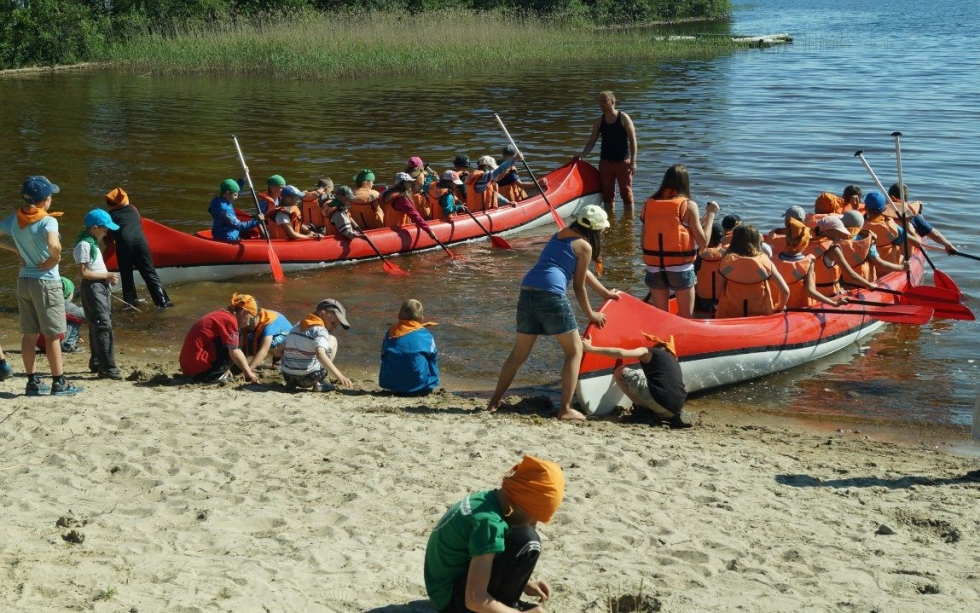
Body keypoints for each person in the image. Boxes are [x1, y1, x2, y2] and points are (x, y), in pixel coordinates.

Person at [486, 205, 620, 422]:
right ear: (595, 230)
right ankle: (565, 409)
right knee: (575, 350)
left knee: (518, 354)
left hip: (527, 290)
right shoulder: (585, 246)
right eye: (602, 230)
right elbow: (578, 286)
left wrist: (604, 292)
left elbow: (581, 270)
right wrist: (591, 314)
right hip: (550, 294)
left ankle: (494, 402)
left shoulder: (559, 234)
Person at [424, 455, 564, 613]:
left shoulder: (487, 500)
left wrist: (524, 583)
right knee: (528, 541)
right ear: (522, 503)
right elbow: (475, 599)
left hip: (442, 588)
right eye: (534, 518)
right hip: (450, 601)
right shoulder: (489, 524)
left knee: (522, 537)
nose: (534, 525)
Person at [0, 176, 83, 396]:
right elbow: (54, 244)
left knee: (29, 334)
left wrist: (16, 250)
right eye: (50, 197)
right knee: (53, 335)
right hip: (45, 281)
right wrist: (55, 258)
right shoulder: (48, 221)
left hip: (23, 281)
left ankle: (33, 382)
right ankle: (59, 382)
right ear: (45, 200)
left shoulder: (15, 219)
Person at [641, 164, 719, 318]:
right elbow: (703, 242)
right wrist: (710, 215)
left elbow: (642, 242)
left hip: (654, 268)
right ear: (685, 183)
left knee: (662, 318)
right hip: (680, 269)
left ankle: (662, 341)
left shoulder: (648, 203)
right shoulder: (688, 205)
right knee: (686, 318)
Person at [582, 334, 696, 428]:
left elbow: (622, 353)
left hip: (660, 401)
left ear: (658, 347)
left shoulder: (649, 351)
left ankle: (642, 411)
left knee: (619, 371)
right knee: (656, 388)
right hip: (676, 407)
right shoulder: (673, 361)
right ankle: (672, 418)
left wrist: (590, 348)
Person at [103, 187, 173, 308]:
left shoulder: (110, 216)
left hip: (124, 244)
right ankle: (164, 303)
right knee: (150, 275)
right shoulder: (133, 209)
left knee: (126, 276)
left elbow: (108, 238)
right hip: (141, 243)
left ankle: (130, 304)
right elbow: (138, 225)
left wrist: (111, 246)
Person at [73, 209, 123, 380]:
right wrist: (106, 275)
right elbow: (84, 273)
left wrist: (107, 278)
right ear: (94, 228)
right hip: (93, 289)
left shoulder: (91, 244)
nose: (106, 232)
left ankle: (96, 361)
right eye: (104, 228)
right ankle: (107, 367)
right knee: (102, 325)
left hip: (99, 288)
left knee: (99, 323)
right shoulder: (84, 245)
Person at [179, 293, 260, 383]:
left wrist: (226, 367)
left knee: (233, 339)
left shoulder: (223, 315)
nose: (248, 324)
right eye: (250, 319)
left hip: (189, 365)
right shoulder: (230, 320)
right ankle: (214, 375)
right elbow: (234, 351)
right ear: (244, 312)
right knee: (232, 344)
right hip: (196, 366)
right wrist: (248, 373)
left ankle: (218, 372)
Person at [715, 225, 790, 319]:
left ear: (733, 241)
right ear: (757, 241)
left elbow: (718, 293)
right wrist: (779, 308)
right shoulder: (765, 262)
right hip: (761, 314)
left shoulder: (727, 261)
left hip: (730, 313)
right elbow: (785, 291)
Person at [581, 91, 638, 210]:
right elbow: (592, 141)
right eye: (600, 101)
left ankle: (629, 224)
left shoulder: (623, 117)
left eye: (604, 101)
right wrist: (582, 155)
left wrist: (633, 161)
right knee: (607, 195)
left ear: (612, 102)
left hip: (623, 162)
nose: (601, 104)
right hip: (605, 163)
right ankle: (609, 221)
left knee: (626, 194)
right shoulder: (598, 121)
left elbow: (633, 141)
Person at [280, 298, 353, 391]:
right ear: (322, 314)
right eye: (333, 323)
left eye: (336, 325)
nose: (334, 327)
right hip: (309, 379)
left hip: (288, 377)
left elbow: (279, 350)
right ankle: (319, 382)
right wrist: (340, 376)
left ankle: (291, 384)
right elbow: (320, 354)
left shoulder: (297, 326)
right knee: (333, 340)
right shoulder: (321, 330)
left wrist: (294, 361)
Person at [379, 299, 439, 396]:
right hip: (420, 386)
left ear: (399, 316)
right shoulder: (427, 335)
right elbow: (433, 358)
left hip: (390, 384)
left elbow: (383, 354)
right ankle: (428, 383)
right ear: (422, 319)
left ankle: (396, 380)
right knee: (431, 356)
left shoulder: (390, 332)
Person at [862, 191, 923, 278]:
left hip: (869, 272)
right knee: (902, 253)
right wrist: (908, 226)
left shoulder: (860, 226)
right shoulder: (891, 226)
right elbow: (917, 243)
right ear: (884, 209)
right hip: (891, 270)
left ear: (865, 208)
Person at [887, 183, 956, 254]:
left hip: (884, 251)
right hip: (903, 255)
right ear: (906, 199)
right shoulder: (912, 216)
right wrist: (948, 244)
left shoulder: (880, 213)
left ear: (891, 198)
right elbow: (935, 234)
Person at [383, 173, 441, 243]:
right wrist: (429, 230)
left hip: (387, 231)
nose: (411, 184)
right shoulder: (402, 199)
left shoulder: (388, 195)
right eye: (409, 182)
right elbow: (415, 215)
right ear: (403, 184)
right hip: (398, 233)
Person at [243, 305, 293, 370]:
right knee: (249, 338)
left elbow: (264, 351)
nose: (247, 324)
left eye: (250, 322)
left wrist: (248, 371)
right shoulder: (249, 317)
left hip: (286, 336)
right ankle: (253, 359)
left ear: (255, 316)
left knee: (269, 343)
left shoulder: (268, 323)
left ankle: (278, 356)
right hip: (269, 333)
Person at [693, 221, 726, 314]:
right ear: (722, 238)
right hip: (723, 300)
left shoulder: (698, 255)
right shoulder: (728, 255)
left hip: (703, 300)